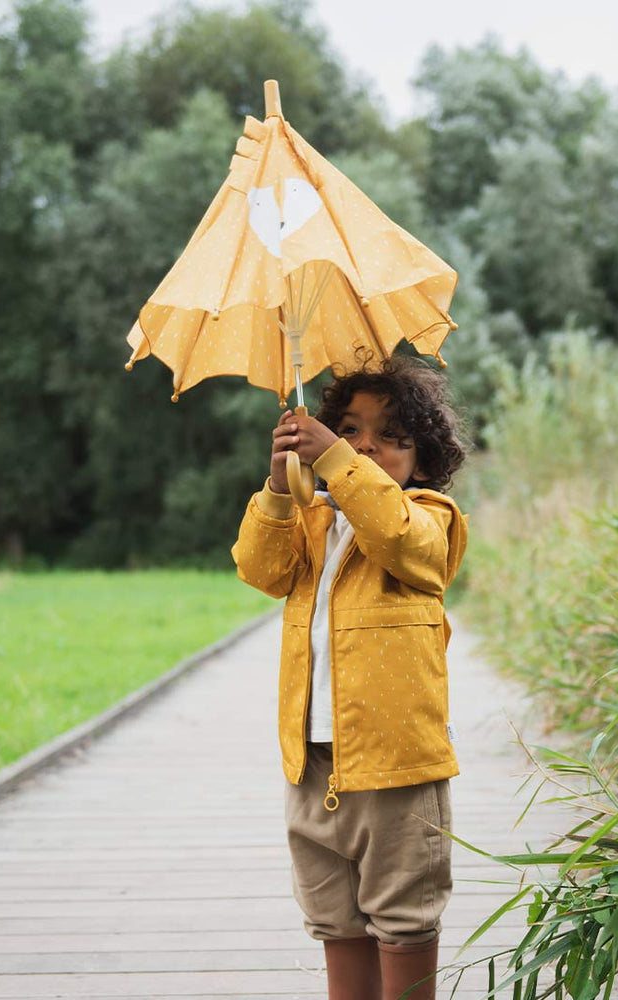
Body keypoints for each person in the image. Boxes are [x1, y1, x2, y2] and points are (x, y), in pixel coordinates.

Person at [232, 354, 469, 1000]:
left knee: (404, 919)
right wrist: (281, 486)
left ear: (422, 460)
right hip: (313, 766)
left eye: (392, 435)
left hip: (397, 770)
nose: (366, 445)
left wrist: (337, 457)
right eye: (353, 429)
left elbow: (398, 536)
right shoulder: (312, 523)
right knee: (335, 920)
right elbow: (259, 569)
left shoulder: (430, 519)